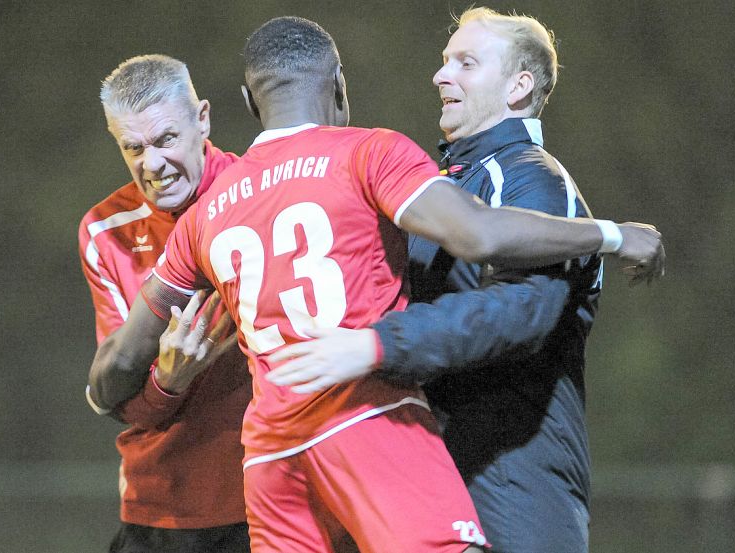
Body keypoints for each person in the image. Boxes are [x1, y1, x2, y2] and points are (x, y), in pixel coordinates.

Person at [88, 16, 664, 553]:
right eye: (134, 147)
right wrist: (613, 234)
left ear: (239, 105)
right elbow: (481, 235)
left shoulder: (207, 214)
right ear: (339, 84)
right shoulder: (371, 154)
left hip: (270, 452)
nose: (442, 74)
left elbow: (116, 364)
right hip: (365, 419)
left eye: (464, 62)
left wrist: (129, 387)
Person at [265, 7, 632, 552]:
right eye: (443, 62)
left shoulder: (532, 176)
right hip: (435, 462)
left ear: (518, 86)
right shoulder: (448, 187)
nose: (441, 76)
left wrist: (378, 344)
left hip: (513, 471)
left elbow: (519, 312)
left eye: (466, 62)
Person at [77, 54, 251, 553]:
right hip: (161, 512)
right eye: (133, 147)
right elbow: (121, 399)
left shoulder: (260, 192)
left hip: (271, 501)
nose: (151, 163)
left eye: (165, 140)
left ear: (203, 119)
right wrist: (168, 383)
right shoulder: (105, 230)